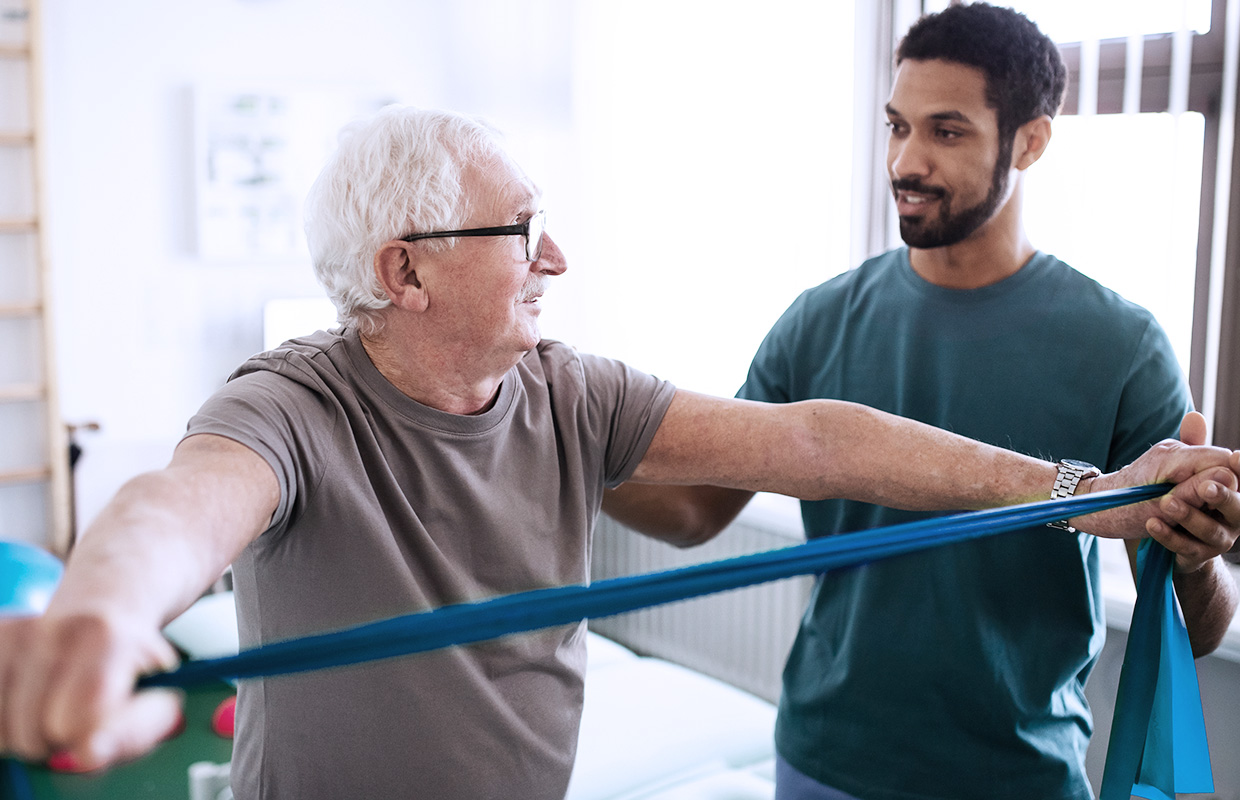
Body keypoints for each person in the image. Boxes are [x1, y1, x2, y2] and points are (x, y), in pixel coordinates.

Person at [1, 105, 1237, 800]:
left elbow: (809, 439)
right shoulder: (292, 403)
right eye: (522, 229)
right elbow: (179, 508)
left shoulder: (568, 390)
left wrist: (1079, 491)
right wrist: (104, 609)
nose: (555, 256)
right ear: (405, 270)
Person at [602, 5, 1240, 800]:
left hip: (1017, 779)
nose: (905, 160)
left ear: (1031, 141)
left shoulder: (1121, 345)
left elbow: (1194, 627)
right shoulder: (819, 320)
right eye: (897, 126)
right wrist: (562, 456)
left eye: (946, 132)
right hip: (824, 764)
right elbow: (695, 511)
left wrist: (1196, 557)